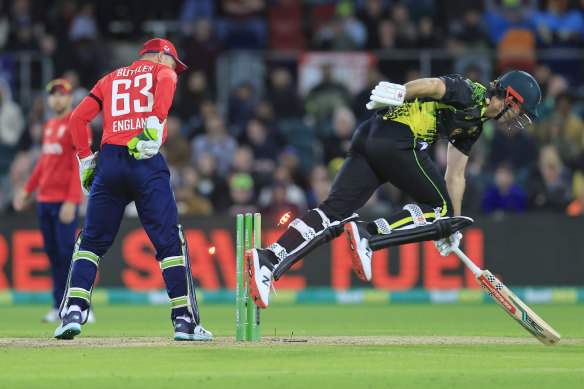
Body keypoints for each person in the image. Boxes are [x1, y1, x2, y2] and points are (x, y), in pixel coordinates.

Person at [246, 70, 542, 309]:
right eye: (519, 109)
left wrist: (452, 226)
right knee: (437, 207)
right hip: (397, 139)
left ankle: (269, 259)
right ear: (509, 97)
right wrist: (403, 90)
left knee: (333, 212)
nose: (518, 117)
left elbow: (456, 174)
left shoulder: (475, 126)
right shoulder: (473, 92)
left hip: (370, 136)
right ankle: (368, 234)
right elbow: (434, 85)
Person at [53, 38, 212, 341]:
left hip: (109, 160)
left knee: (91, 242)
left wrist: (86, 159)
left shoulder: (109, 79)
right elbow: (167, 78)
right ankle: (184, 321)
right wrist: (154, 122)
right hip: (144, 158)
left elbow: (77, 118)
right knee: (169, 243)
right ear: (161, 56)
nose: (174, 69)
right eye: (172, 62)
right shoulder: (161, 72)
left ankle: (73, 311)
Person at [12, 79, 93, 323]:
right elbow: (44, 164)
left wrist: (72, 201)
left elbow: (78, 165)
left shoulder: (77, 124)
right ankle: (59, 304)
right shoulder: (49, 125)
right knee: (53, 254)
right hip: (45, 200)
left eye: (62, 94)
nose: (56, 99)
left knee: (68, 253)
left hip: (62, 200)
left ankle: (80, 306)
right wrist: (27, 190)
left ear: (70, 98)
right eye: (53, 95)